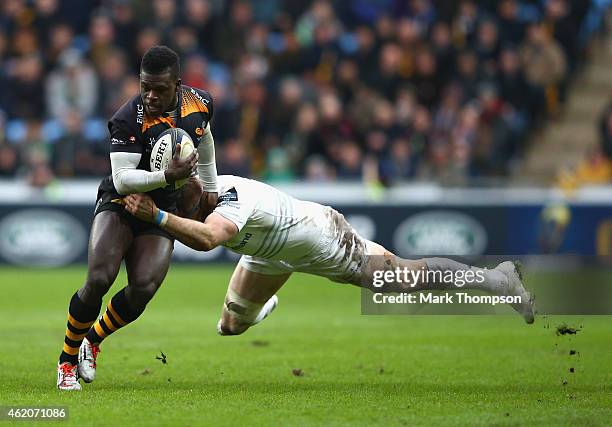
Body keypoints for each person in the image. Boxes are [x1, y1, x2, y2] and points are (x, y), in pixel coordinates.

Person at [120, 175, 535, 353]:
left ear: (202, 199)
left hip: (322, 239)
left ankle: (497, 279)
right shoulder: (205, 194)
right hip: (269, 251)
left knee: (404, 280)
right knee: (229, 327)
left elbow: (208, 240)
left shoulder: (234, 202)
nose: (184, 214)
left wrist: (156, 217)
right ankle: (264, 304)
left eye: (186, 209)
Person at [56, 45, 219, 391]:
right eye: (145, 86)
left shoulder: (199, 103)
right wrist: (167, 175)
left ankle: (93, 340)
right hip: (121, 200)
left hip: (162, 206)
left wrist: (211, 187)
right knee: (100, 278)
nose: (150, 95)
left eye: (159, 89)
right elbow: (122, 179)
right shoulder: (128, 117)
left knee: (144, 286)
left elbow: (205, 141)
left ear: (177, 84)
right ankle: (67, 361)